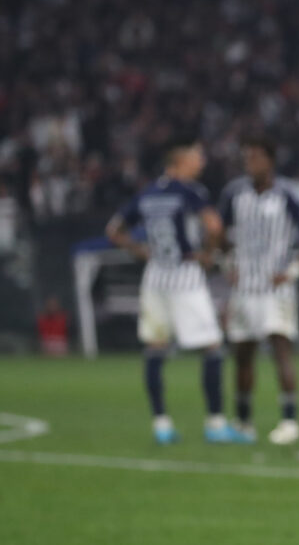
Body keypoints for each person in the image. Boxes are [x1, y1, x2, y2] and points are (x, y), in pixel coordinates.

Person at [106, 137, 247, 445]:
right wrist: (210, 255)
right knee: (211, 348)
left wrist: (138, 250)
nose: (202, 161)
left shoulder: (148, 193)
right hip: (184, 275)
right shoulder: (190, 192)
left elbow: (113, 231)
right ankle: (215, 424)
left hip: (155, 276)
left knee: (155, 349)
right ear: (180, 161)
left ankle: (161, 425)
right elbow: (213, 226)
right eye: (197, 156)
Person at [219, 135, 299, 445]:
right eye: (246, 158)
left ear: (270, 161)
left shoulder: (288, 194)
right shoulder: (234, 194)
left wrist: (293, 270)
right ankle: (243, 421)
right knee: (243, 354)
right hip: (245, 287)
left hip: (275, 287)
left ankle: (289, 421)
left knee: (280, 350)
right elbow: (217, 231)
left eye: (255, 157)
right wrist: (227, 265)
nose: (249, 163)